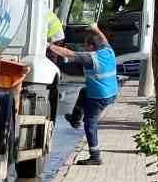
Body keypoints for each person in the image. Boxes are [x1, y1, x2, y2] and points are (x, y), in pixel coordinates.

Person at [48, 25, 119, 165]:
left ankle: (95, 156)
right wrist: (96, 29)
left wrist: (48, 45)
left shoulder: (91, 58)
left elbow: (68, 53)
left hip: (99, 97)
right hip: (111, 92)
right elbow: (103, 39)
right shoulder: (108, 51)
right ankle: (75, 119)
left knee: (90, 123)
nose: (84, 48)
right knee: (83, 91)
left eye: (86, 46)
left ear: (92, 47)